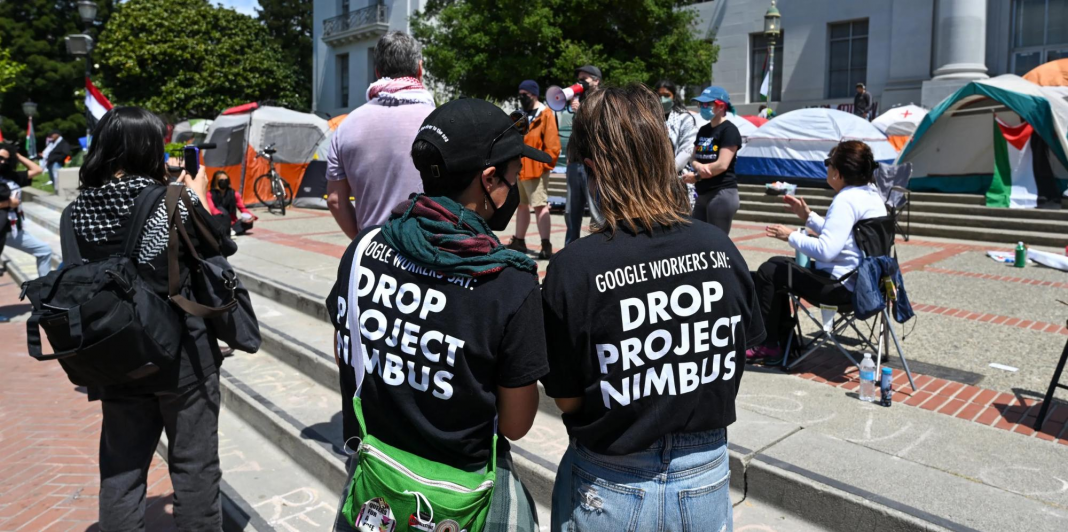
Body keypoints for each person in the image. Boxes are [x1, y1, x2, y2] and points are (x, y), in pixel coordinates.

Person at [541, 84, 765, 532]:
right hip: (706, 477)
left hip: (610, 481)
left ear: (592, 170)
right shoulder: (720, 250)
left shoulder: (573, 269)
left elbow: (566, 397)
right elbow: (734, 357)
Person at [327, 98, 554, 532]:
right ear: (488, 180)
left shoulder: (363, 249)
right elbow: (516, 423)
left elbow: (346, 354)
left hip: (375, 491)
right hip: (457, 502)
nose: (516, 184)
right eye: (513, 174)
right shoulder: (507, 280)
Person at [67, 107, 228, 530]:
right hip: (182, 355)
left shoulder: (75, 212)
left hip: (115, 353)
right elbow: (220, 247)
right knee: (194, 468)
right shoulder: (173, 201)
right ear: (148, 148)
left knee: (121, 470)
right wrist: (198, 193)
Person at [749, 140, 887, 362]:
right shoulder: (871, 196)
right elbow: (845, 236)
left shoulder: (845, 200)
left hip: (839, 288)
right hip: (867, 285)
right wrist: (809, 218)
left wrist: (791, 236)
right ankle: (783, 341)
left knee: (769, 271)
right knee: (776, 268)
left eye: (828, 163)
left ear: (839, 172)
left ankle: (769, 344)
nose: (827, 168)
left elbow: (826, 250)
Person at [326, 31, 435, 240]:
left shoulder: (346, 126)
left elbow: (334, 199)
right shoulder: (439, 121)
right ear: (419, 69)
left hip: (372, 256)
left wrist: (363, 241)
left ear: (377, 72)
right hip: (428, 253)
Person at [508, 79, 561, 259]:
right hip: (520, 169)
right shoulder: (523, 113)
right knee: (522, 206)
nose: (522, 98)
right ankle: (520, 240)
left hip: (536, 169)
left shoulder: (545, 114)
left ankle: (546, 244)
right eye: (520, 94)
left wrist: (543, 165)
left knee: (540, 207)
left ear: (534, 94)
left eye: (526, 95)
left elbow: (553, 145)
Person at [683, 86, 743, 234]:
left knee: (717, 242)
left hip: (721, 193)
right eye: (700, 104)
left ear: (721, 106)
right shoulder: (704, 130)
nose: (703, 108)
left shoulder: (729, 131)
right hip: (703, 193)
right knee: (699, 238)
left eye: (707, 104)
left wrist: (696, 176)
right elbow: (693, 157)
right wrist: (697, 165)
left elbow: (722, 165)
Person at [0, 143, 53, 279]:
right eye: (0, 158)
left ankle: (44, 291)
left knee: (44, 251)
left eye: (6, 159)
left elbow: (37, 170)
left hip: (12, 230)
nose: (3, 162)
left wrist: (14, 154)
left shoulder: (12, 176)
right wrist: (7, 203)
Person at [564, 65, 602, 245]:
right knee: (571, 213)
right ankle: (569, 250)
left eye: (585, 78)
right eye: (579, 78)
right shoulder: (579, 99)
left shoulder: (602, 100)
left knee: (597, 212)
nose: (580, 82)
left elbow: (598, 128)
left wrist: (581, 111)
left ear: (596, 80)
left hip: (593, 164)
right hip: (575, 164)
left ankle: (598, 249)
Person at [206, 170, 257, 235]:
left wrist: (251, 216)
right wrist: (225, 216)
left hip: (232, 223)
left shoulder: (234, 193)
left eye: (226, 180)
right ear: (216, 182)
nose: (224, 182)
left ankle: (229, 231)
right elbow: (212, 210)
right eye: (221, 180)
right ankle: (230, 231)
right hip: (219, 221)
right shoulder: (210, 194)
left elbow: (242, 208)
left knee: (248, 223)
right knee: (221, 209)